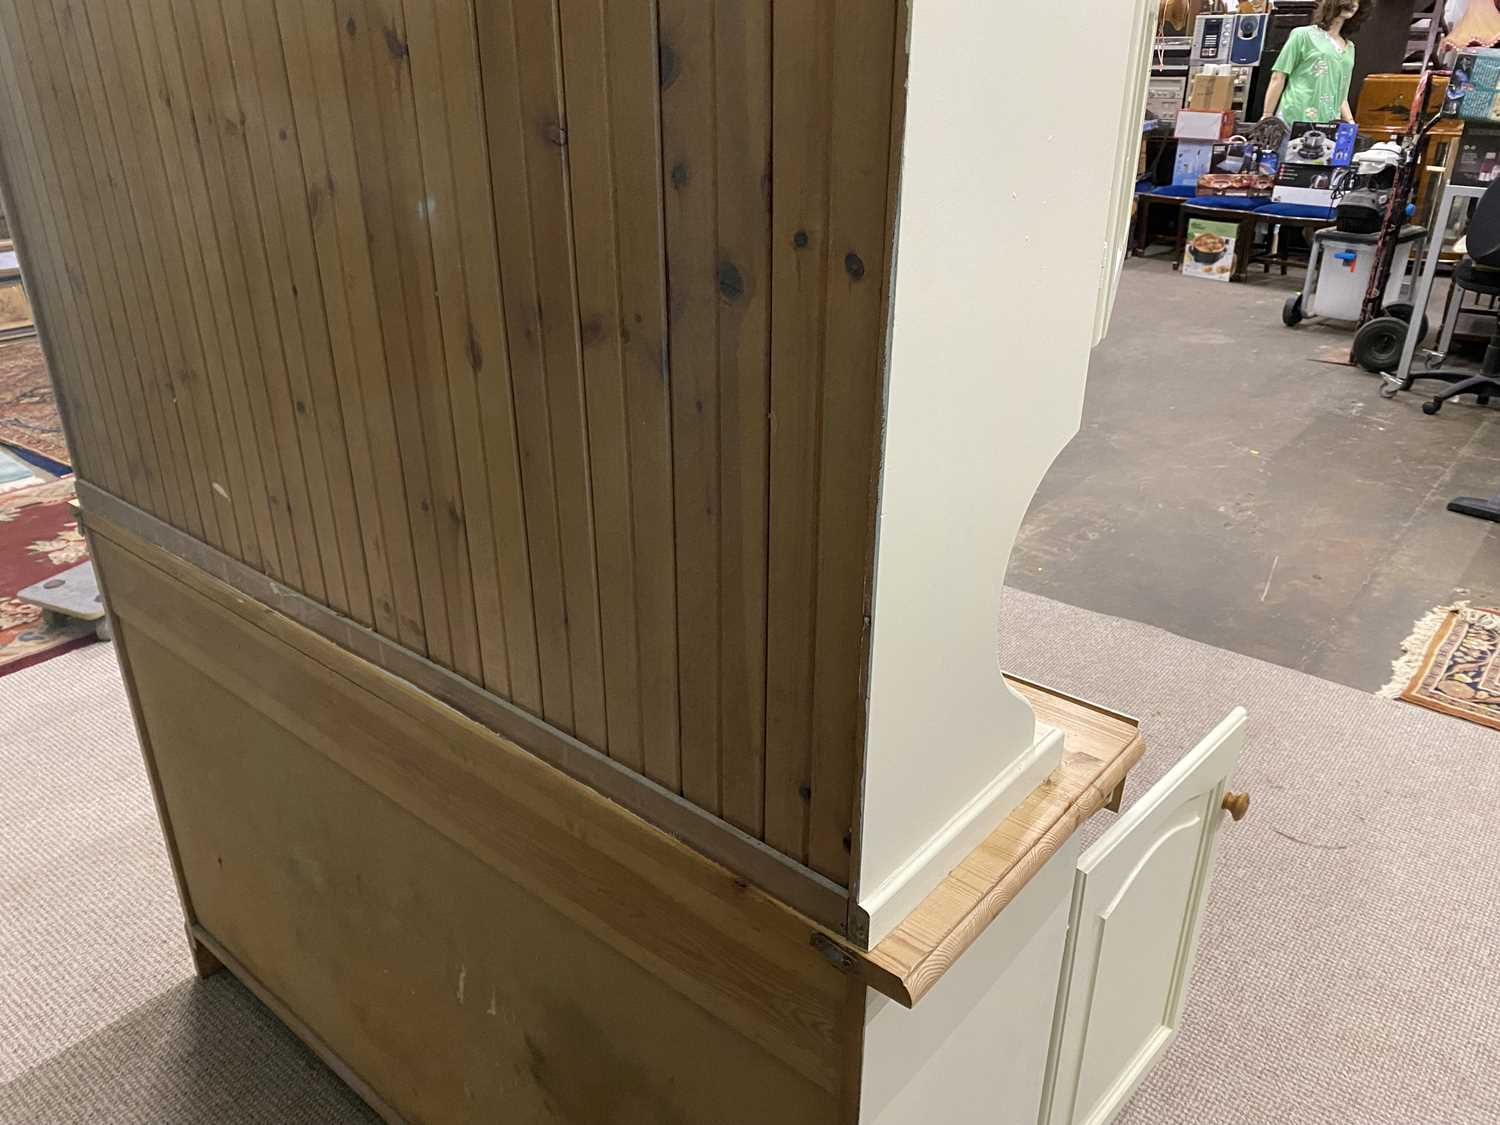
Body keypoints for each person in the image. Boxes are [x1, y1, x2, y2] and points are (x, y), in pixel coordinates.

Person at [1262, 0, 1368, 125]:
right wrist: (1267, 116)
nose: (1354, 4)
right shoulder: (1302, 35)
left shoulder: (1349, 48)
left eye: (1358, 1)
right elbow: (1278, 76)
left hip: (1329, 122)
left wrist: (1350, 122)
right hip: (1295, 115)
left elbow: (1341, 93)